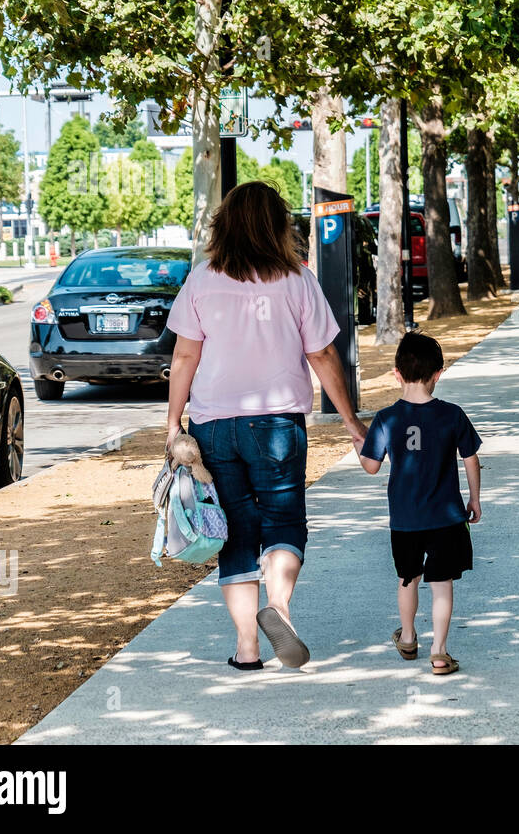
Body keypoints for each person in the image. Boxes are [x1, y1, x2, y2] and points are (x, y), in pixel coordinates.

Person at [165, 181, 369, 671]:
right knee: (283, 522)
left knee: (235, 534)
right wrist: (351, 422)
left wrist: (173, 424)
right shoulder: (297, 279)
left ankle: (247, 650)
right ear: (280, 225)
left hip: (213, 425)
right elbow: (320, 354)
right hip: (277, 423)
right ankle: (277, 609)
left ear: (225, 224)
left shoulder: (202, 279)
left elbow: (185, 353)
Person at [357, 332, 482, 676]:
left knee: (407, 577)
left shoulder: (386, 419)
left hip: (405, 520)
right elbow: (470, 458)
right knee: (442, 583)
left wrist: (359, 442)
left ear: (396, 373)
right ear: (437, 373)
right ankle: (439, 652)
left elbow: (371, 466)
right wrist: (474, 498)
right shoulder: (452, 415)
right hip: (446, 518)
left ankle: (409, 636)